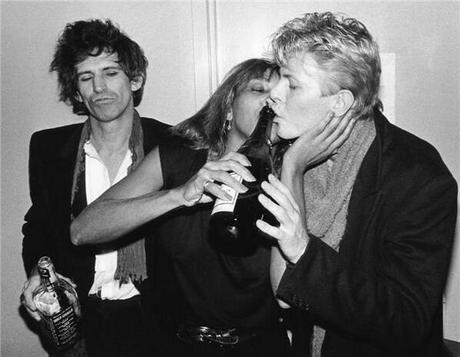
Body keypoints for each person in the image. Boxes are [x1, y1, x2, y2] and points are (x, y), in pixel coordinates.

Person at [255, 11, 458, 357]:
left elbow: (405, 322)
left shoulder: (419, 176)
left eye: (292, 83)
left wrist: (304, 250)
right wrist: (291, 168)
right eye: (277, 78)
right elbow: (282, 294)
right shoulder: (294, 155)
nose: (272, 94)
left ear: (340, 103)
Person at [71, 58, 297, 356]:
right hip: (178, 345)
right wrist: (179, 195)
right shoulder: (180, 157)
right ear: (228, 106)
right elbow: (82, 230)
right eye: (258, 89)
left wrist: (295, 163)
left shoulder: (292, 179)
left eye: (282, 93)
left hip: (261, 347)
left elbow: (290, 295)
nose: (272, 99)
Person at [20, 19, 170, 357]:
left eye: (111, 73)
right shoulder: (48, 149)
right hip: (78, 326)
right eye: (87, 78)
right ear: (76, 91)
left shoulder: (172, 145)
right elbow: (39, 227)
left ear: (136, 79)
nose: (99, 87)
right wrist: (39, 272)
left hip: (159, 324)